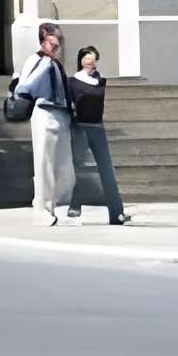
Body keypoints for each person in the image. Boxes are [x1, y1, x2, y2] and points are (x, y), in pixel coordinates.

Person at [13, 20, 74, 224]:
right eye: (52, 40)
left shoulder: (55, 63)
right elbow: (24, 87)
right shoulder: (37, 61)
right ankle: (42, 209)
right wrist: (45, 65)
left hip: (60, 115)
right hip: (44, 113)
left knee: (59, 166)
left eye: (58, 39)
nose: (56, 44)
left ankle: (50, 205)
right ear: (42, 41)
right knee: (44, 163)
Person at [65, 45, 132, 225]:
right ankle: (74, 204)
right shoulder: (72, 81)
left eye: (93, 59)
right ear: (80, 60)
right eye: (87, 58)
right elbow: (68, 105)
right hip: (80, 128)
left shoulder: (100, 82)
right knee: (79, 168)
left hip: (98, 128)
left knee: (107, 170)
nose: (90, 61)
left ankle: (116, 213)